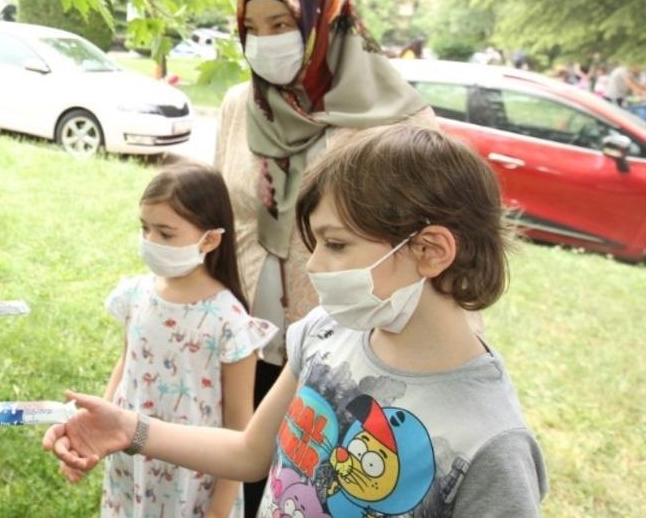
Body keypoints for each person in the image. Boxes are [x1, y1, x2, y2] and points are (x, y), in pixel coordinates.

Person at [45, 124, 549, 517]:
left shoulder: (493, 447)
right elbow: (249, 453)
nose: (314, 266)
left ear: (429, 249)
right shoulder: (324, 333)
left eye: (336, 244)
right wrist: (127, 427)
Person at [213, 0, 437, 513]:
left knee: (323, 483)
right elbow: (222, 211)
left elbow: (434, 251)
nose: (265, 43)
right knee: (253, 474)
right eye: (254, 30)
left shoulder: (395, 120)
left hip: (346, 349)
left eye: (282, 26)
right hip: (246, 339)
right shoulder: (242, 107)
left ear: (324, 26)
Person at [58, 163, 277, 517]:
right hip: (130, 463)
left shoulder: (229, 322)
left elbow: (240, 427)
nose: (150, 242)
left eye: (165, 233)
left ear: (209, 239)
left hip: (193, 480)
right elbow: (126, 362)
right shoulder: (135, 294)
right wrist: (90, 430)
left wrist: (220, 509)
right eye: (145, 228)